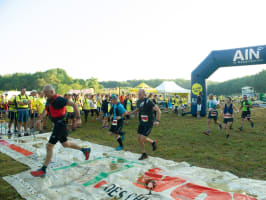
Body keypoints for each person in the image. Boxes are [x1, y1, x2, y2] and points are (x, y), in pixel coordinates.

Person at [30, 85, 91, 178]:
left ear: (51, 92)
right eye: (44, 94)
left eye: (46, 94)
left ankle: (43, 170)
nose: (45, 95)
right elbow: (46, 111)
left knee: (49, 146)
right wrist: (40, 119)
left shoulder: (59, 99)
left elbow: (74, 105)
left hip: (60, 125)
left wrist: (78, 118)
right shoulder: (49, 100)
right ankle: (85, 150)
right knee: (65, 144)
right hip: (58, 125)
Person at [127, 89, 161, 160]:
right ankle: (144, 153)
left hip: (149, 123)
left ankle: (153, 142)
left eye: (140, 94)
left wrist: (157, 120)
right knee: (139, 139)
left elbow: (158, 110)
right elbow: (138, 109)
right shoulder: (138, 101)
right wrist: (131, 113)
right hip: (142, 122)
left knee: (142, 138)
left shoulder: (149, 101)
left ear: (144, 94)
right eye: (138, 94)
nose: (138, 96)